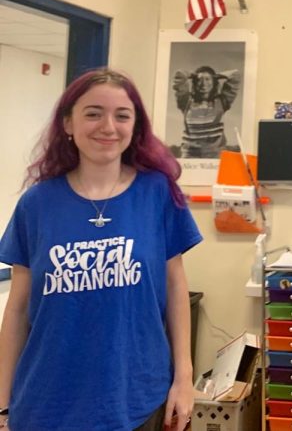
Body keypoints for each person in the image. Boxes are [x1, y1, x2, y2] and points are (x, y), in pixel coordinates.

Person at [0, 68, 202, 431]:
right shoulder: (37, 204)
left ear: (135, 126)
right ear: (68, 123)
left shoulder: (158, 193)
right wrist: (1, 404)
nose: (108, 126)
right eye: (93, 113)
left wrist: (184, 378)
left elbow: (175, 286)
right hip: (46, 402)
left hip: (136, 398)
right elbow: (16, 309)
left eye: (122, 115)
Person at [172, 65, 240, 158]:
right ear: (195, 83)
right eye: (199, 80)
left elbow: (235, 75)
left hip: (216, 155)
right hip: (189, 155)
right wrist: (193, 75)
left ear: (214, 82)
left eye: (208, 79)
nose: (203, 83)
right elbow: (180, 75)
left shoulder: (222, 102)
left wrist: (217, 75)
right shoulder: (186, 101)